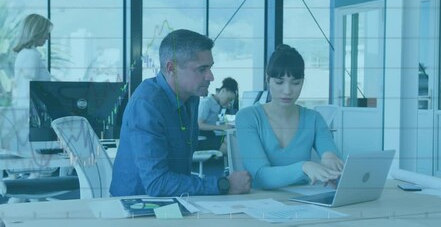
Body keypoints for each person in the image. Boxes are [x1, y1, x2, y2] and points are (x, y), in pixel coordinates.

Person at [110, 29, 251, 197]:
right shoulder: (147, 104)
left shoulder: (191, 98)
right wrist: (224, 184)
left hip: (173, 199)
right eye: (202, 69)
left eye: (210, 68)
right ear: (171, 68)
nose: (211, 77)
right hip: (137, 204)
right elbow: (157, 184)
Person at [235, 44, 344, 190]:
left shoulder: (314, 119)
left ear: (302, 82)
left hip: (303, 199)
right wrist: (304, 167)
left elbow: (329, 153)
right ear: (267, 80)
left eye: (296, 83)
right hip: (260, 201)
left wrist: (330, 159)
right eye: (279, 82)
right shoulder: (247, 117)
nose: (287, 91)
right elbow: (260, 176)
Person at [12, 13, 53, 108]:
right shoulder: (30, 55)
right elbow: (28, 90)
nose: (47, 37)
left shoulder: (25, 53)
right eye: (45, 32)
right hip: (30, 114)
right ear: (36, 32)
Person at [198, 77, 237, 154]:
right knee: (229, 148)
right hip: (201, 137)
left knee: (230, 140)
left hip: (209, 135)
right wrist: (220, 127)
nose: (228, 103)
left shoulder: (217, 104)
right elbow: (199, 125)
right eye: (228, 99)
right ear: (223, 91)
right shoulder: (207, 102)